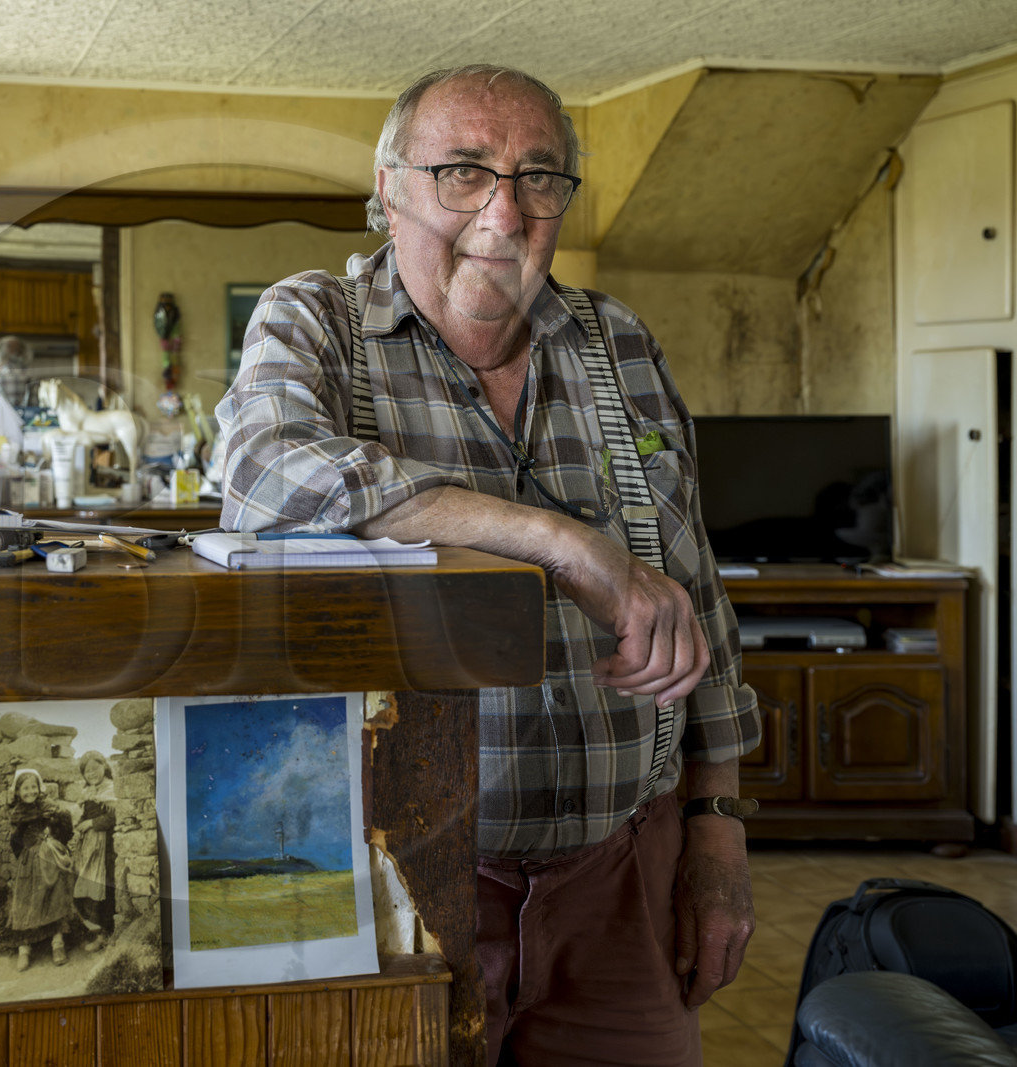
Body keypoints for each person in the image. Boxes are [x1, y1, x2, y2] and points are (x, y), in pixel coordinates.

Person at [217, 64, 761, 1067]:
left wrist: (716, 823)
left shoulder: (619, 343)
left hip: (622, 871)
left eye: (538, 176)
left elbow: (697, 585)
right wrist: (562, 541)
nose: (504, 212)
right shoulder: (318, 323)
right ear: (389, 188)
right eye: (462, 172)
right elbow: (261, 477)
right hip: (398, 875)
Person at [6, 767, 77, 971]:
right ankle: (24, 949)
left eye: (33, 787)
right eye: (25, 788)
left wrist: (54, 844)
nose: (30, 792)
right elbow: (15, 842)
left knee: (54, 896)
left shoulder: (49, 807)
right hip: (28, 862)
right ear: (18, 792)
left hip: (50, 859)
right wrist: (27, 857)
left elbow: (65, 826)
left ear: (39, 788)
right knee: (25, 901)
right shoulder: (17, 814)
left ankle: (57, 943)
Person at [70, 751, 117, 951]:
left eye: (95, 768)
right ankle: (94, 930)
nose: (91, 773)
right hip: (89, 848)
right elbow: (82, 817)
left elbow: (114, 818)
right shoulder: (87, 792)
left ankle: (105, 935)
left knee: (103, 889)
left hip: (105, 848)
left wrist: (91, 823)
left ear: (104, 767)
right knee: (85, 886)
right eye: (87, 771)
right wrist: (80, 826)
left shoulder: (111, 790)